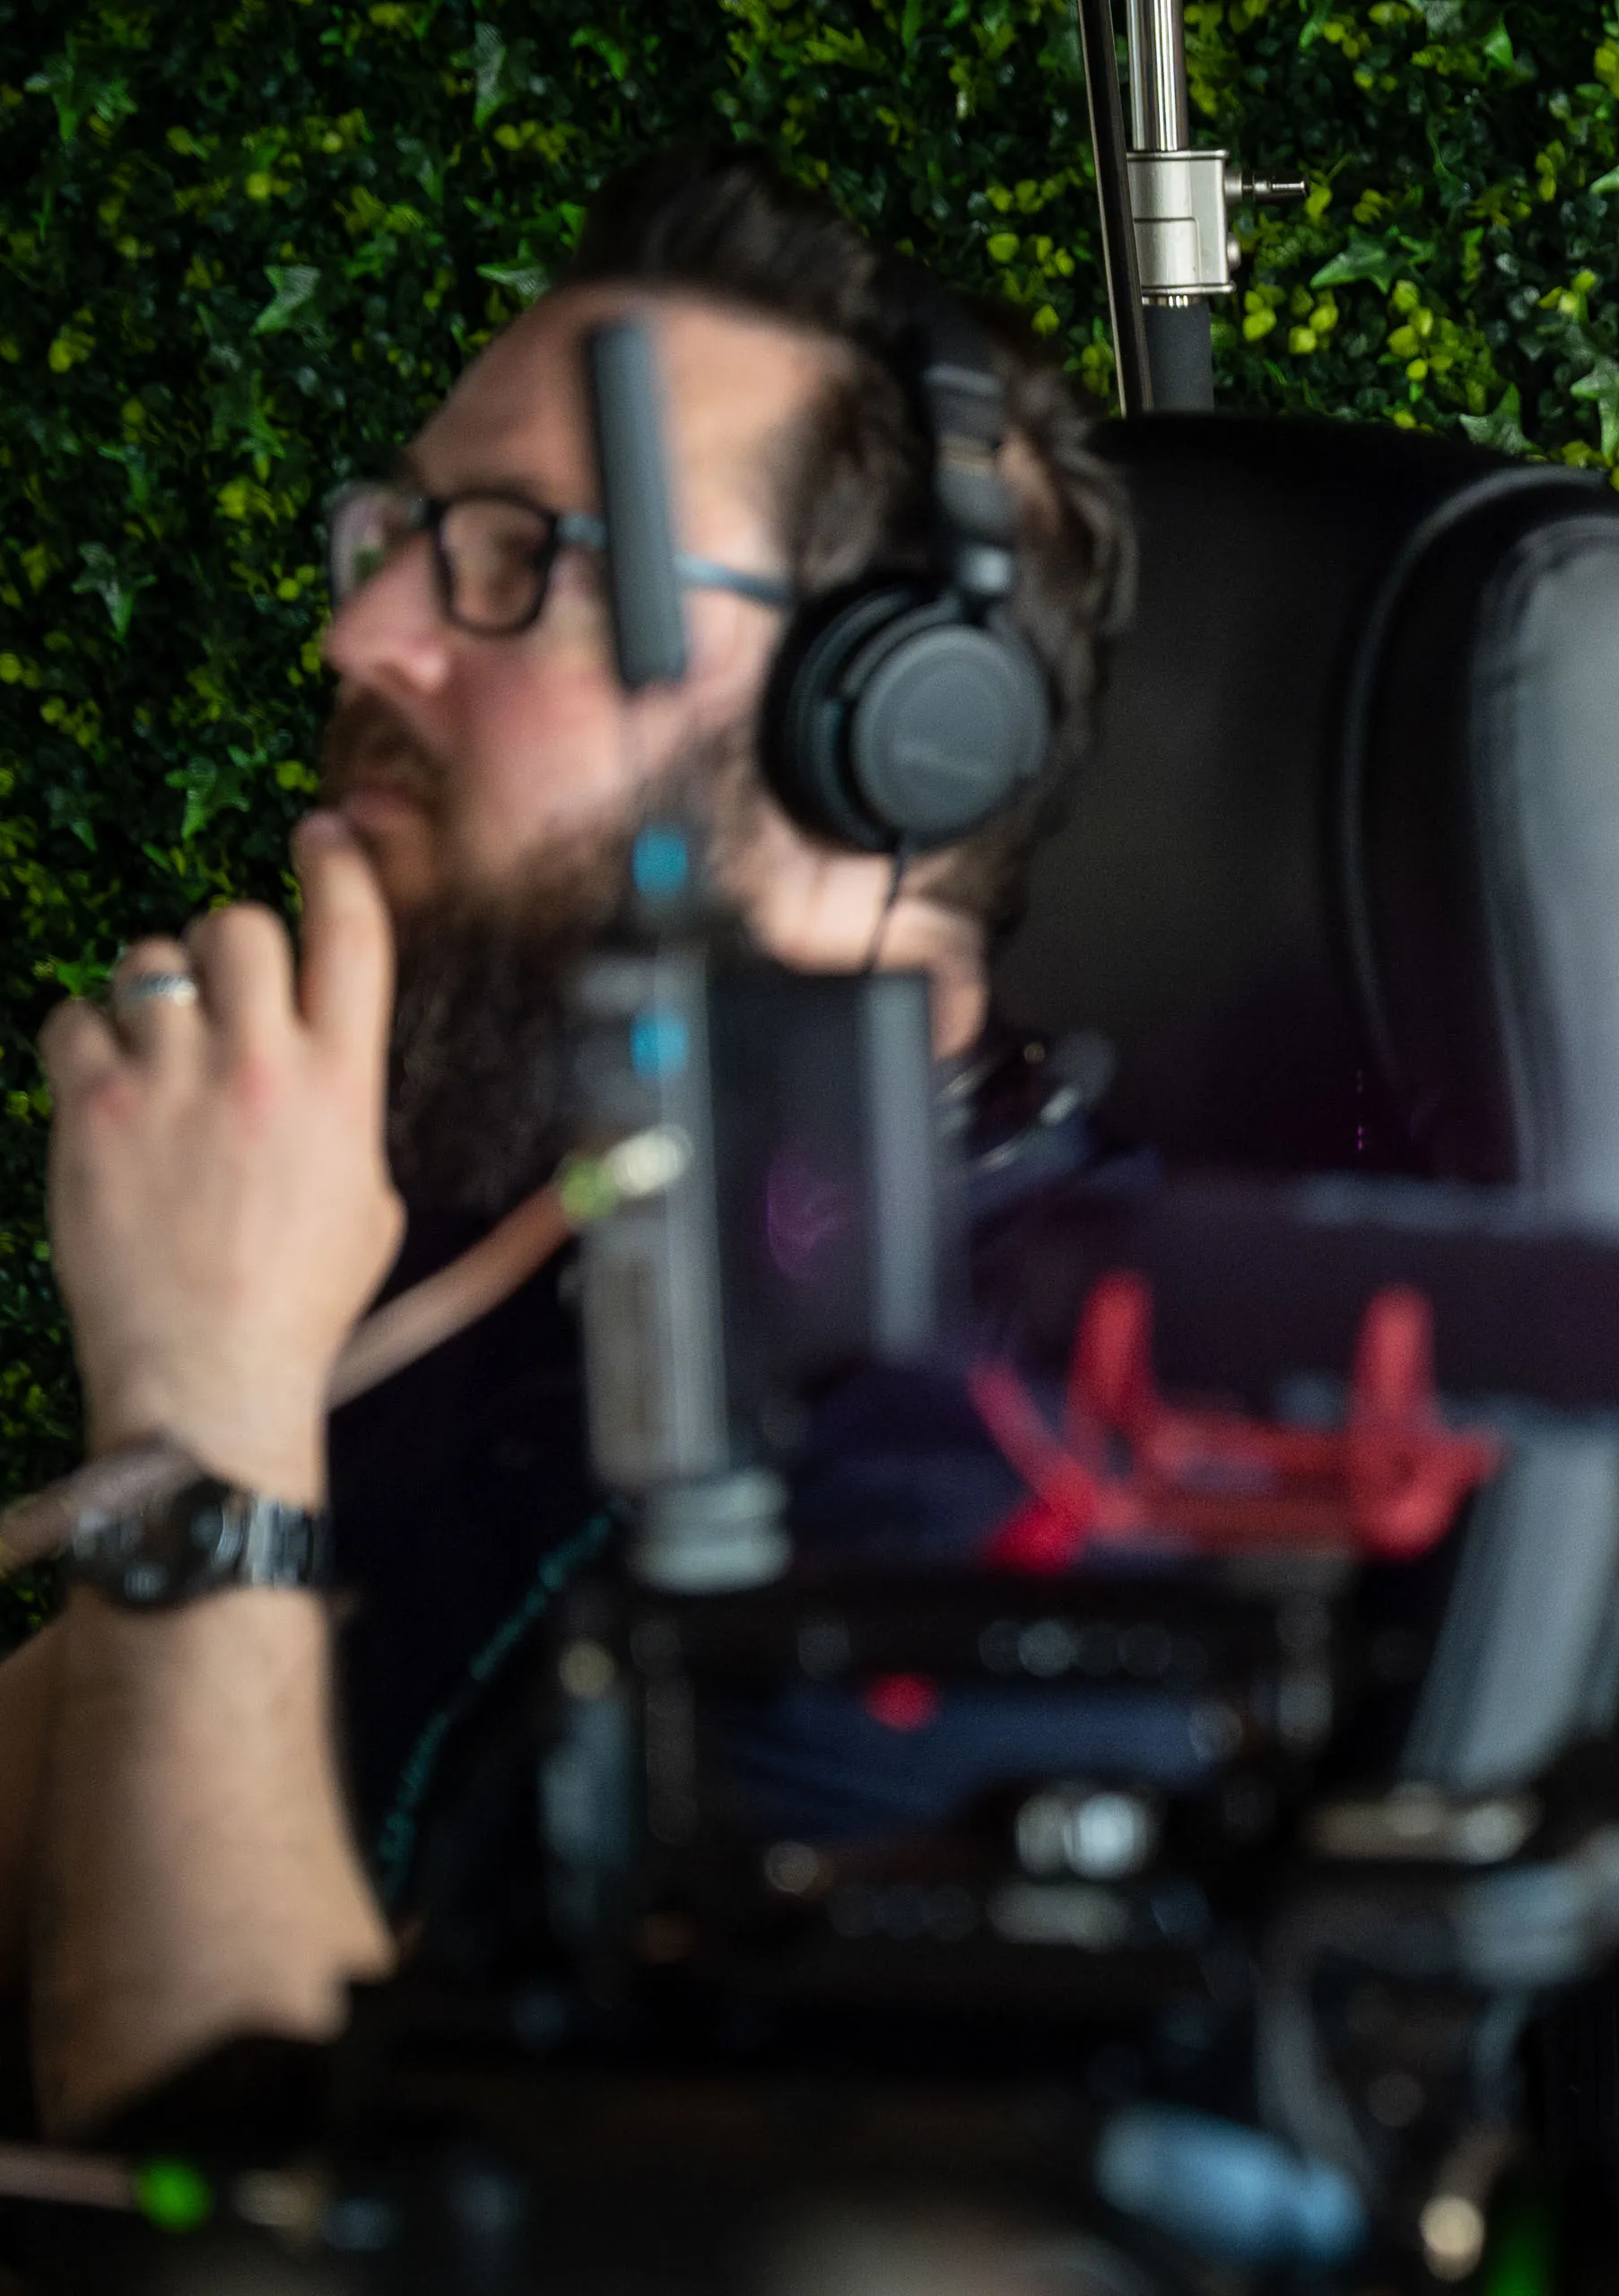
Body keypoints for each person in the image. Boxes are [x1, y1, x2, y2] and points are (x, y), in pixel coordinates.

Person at [3, 146, 1132, 2137]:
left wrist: (205, 1417)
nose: (365, 641)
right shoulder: (483, 1206)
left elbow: (257, 2227)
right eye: (407, 536)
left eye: (518, 556)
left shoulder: (1019, 1454)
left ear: (890, 730)